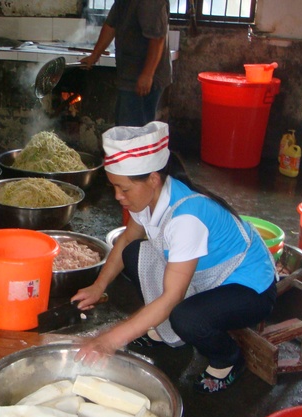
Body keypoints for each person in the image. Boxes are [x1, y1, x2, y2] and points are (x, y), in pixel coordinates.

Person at [73, 122, 277, 394]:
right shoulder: (148, 197)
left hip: (250, 287)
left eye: (124, 189)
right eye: (114, 187)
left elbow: (172, 297)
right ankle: (167, 330)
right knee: (133, 253)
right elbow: (126, 241)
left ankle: (228, 359)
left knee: (186, 317)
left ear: (153, 179)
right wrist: (98, 287)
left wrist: (108, 341)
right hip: (204, 276)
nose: (118, 196)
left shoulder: (186, 219)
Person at [80, 0, 172, 127]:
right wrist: (94, 55)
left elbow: (157, 39)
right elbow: (111, 26)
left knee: (136, 130)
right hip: (129, 75)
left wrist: (147, 74)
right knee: (124, 126)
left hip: (146, 77)